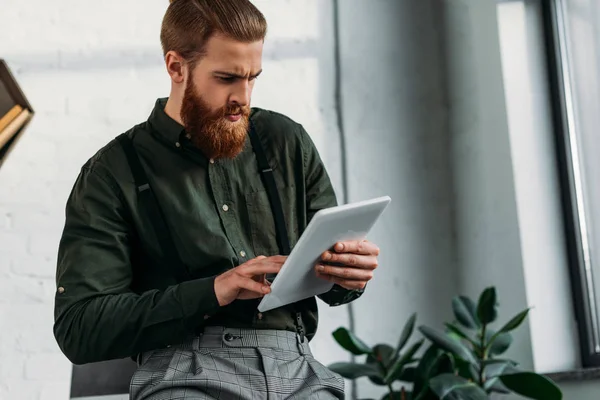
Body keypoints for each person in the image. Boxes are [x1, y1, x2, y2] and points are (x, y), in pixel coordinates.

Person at [53, 0, 381, 398]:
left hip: (299, 369)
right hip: (185, 373)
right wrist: (214, 290)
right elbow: (80, 328)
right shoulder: (113, 171)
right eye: (226, 78)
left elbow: (333, 281)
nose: (242, 98)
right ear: (176, 67)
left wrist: (349, 271)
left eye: (252, 78)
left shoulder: (286, 141)